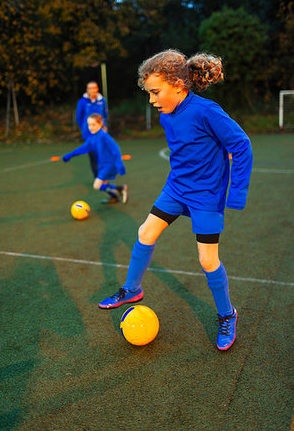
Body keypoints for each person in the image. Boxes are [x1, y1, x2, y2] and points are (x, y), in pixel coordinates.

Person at [98, 49, 253, 351]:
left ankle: (227, 314)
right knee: (145, 232)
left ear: (179, 86)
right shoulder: (167, 115)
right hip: (176, 189)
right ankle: (132, 289)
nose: (152, 100)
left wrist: (236, 191)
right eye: (149, 94)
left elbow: (241, 144)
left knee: (207, 260)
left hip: (205, 196)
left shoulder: (207, 111)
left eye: (156, 92)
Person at [63, 113, 128, 205]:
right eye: (89, 125)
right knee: (104, 185)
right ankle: (114, 197)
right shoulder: (92, 137)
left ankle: (121, 188)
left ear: (100, 124)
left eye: (93, 125)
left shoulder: (103, 136)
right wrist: (70, 155)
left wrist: (119, 164)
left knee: (97, 185)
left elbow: (115, 149)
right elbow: (83, 148)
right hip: (101, 165)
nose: (91, 127)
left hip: (108, 165)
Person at [76, 81, 109, 178]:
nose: (92, 90)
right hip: (89, 134)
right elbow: (79, 118)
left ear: (97, 89)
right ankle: (97, 176)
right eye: (90, 88)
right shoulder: (82, 102)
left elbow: (105, 115)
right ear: (87, 90)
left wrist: (104, 127)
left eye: (94, 88)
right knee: (93, 156)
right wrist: (84, 129)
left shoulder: (102, 101)